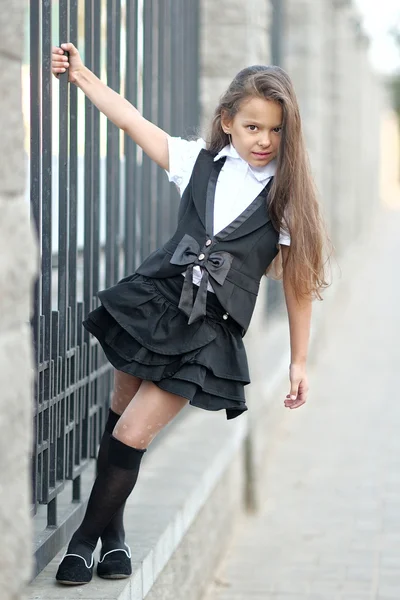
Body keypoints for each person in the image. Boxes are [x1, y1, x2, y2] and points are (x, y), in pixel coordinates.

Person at [51, 42, 329, 585]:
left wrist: (299, 359)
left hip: (207, 331)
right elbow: (133, 120)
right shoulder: (199, 163)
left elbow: (298, 285)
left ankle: (82, 542)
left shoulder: (286, 199)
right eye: (252, 127)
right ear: (228, 121)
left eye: (275, 131)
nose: (264, 141)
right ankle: (114, 538)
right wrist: (83, 77)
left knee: (132, 431)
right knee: (120, 411)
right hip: (155, 301)